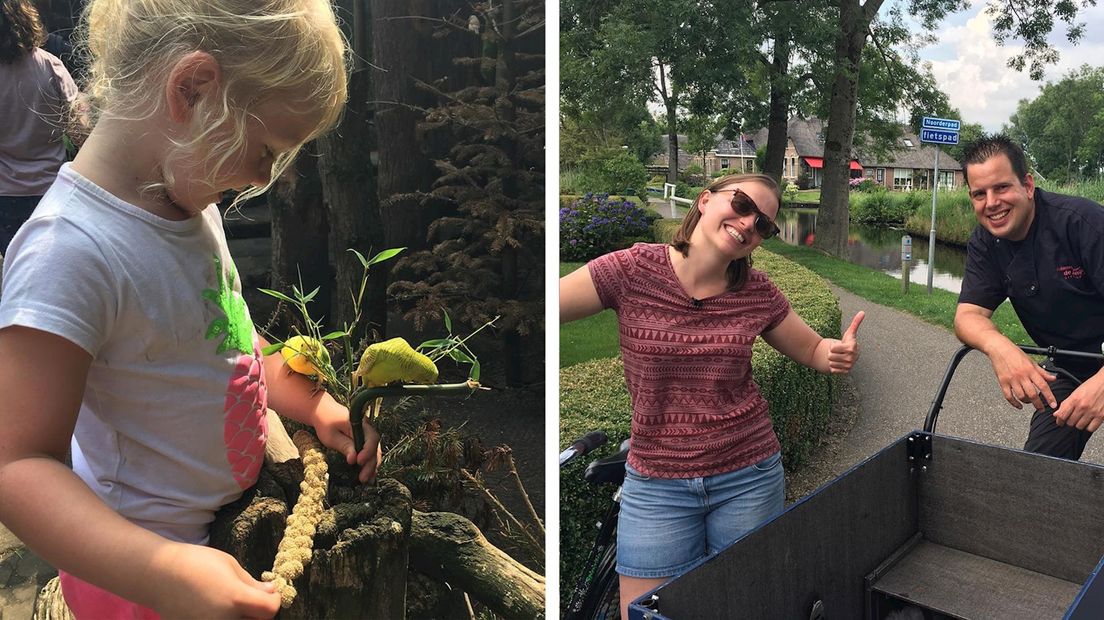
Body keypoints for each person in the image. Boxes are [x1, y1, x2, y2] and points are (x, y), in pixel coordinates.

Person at [0, 1, 381, 618]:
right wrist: (162, 569)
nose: (266, 177)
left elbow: (228, 339)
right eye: (267, 149)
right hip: (137, 582)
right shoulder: (68, 253)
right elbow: (16, 465)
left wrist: (313, 403)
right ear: (194, 90)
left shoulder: (188, 203)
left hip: (215, 540)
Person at [560, 173, 865, 619]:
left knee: (746, 609)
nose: (748, 224)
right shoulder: (630, 270)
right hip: (656, 484)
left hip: (748, 477)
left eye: (764, 224)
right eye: (741, 204)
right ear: (704, 200)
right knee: (646, 615)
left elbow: (814, 348)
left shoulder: (756, 293)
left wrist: (835, 353)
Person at [955, 134, 1104, 460]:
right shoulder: (985, 243)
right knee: (1038, 469)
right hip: (1069, 367)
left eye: (1002, 188)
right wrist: (999, 347)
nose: (991, 202)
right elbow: (967, 316)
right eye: (979, 194)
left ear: (1028, 185)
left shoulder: (1083, 223)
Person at [0, 0, 84, 255]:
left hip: (5, 198)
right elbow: (81, 130)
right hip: (52, 192)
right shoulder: (50, 64)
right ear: (26, 20)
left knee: (16, 265)